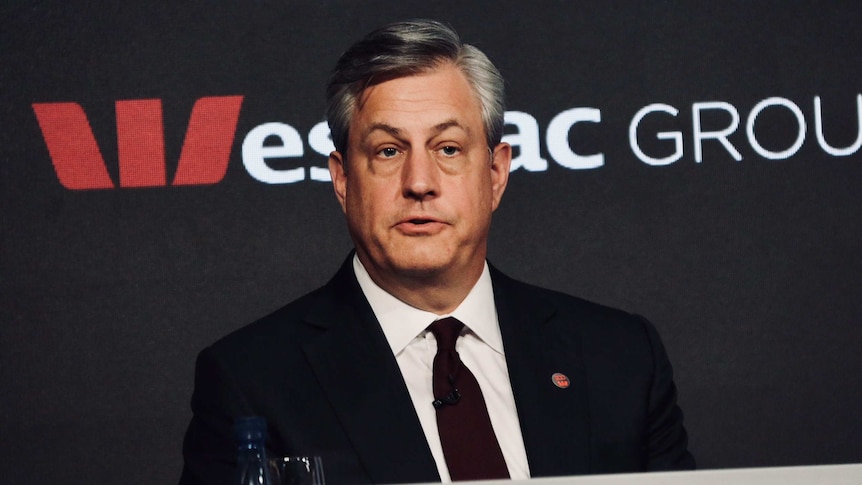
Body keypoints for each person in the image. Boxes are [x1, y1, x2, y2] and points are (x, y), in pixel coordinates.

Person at [180, 19, 695, 485]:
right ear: (342, 179)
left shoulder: (621, 358)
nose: (419, 182)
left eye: (448, 148)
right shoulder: (251, 380)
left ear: (495, 173)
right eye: (388, 151)